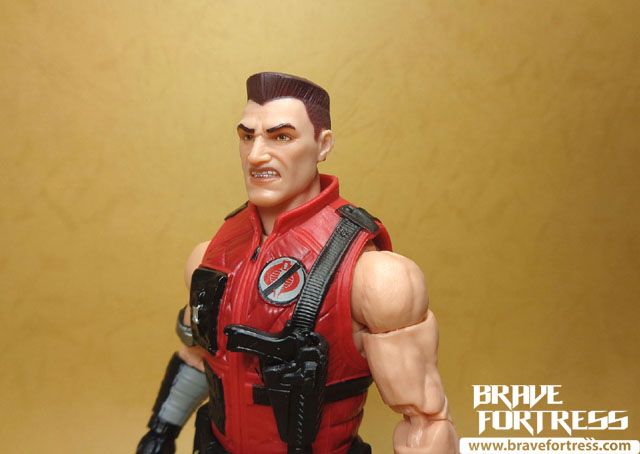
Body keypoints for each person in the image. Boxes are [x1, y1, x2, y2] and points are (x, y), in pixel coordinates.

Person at [137, 72, 458, 454]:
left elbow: (426, 420)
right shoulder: (211, 256)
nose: (256, 155)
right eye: (247, 136)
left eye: (281, 137)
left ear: (323, 145)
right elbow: (202, 358)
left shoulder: (374, 277)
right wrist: (161, 431)